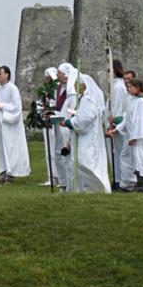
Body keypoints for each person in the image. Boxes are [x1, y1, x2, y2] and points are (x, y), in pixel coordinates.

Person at [63, 74, 111, 193]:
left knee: (86, 162)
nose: (74, 86)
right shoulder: (83, 99)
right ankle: (82, 188)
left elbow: (84, 120)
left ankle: (96, 188)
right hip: (83, 137)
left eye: (76, 83)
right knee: (80, 162)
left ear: (83, 86)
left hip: (88, 138)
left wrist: (69, 122)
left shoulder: (88, 100)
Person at [0, 65, 30, 184]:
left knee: (11, 148)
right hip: (0, 123)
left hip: (10, 124)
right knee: (1, 147)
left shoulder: (13, 89)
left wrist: (0, 105)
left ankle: (11, 174)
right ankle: (2, 171)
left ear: (7, 74)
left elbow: (16, 107)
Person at [106, 60, 136, 191]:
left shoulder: (118, 87)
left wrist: (113, 124)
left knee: (118, 153)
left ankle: (120, 180)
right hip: (114, 123)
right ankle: (119, 179)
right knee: (116, 153)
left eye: (109, 70)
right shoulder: (116, 86)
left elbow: (117, 107)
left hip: (117, 125)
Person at [53, 62, 79, 192]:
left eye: (59, 73)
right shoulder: (60, 88)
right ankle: (64, 183)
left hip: (68, 127)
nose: (57, 75)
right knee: (60, 154)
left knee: (68, 157)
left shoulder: (72, 93)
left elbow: (72, 110)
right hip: (60, 126)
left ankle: (70, 185)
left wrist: (67, 123)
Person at [40, 67, 59, 186]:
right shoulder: (45, 91)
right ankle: (51, 176)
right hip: (46, 122)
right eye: (45, 78)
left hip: (55, 122)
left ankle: (58, 176)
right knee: (48, 151)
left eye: (48, 78)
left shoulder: (57, 90)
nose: (46, 80)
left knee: (55, 150)